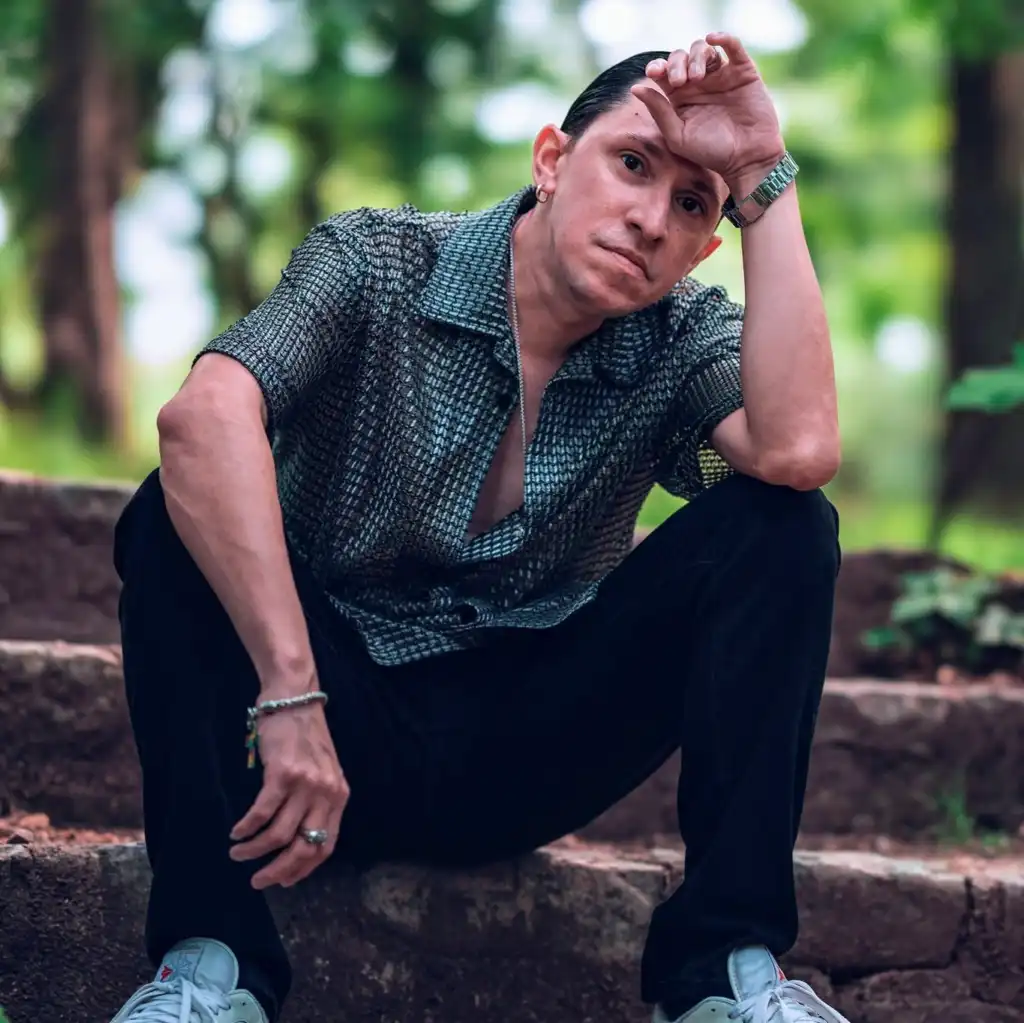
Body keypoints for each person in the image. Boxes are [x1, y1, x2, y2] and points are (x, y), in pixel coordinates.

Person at [109, 33, 847, 1023]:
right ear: (551, 161)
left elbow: (797, 450)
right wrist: (290, 689)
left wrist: (763, 174)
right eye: (631, 164)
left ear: (705, 247)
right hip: (324, 723)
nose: (649, 218)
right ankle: (211, 969)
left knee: (783, 526)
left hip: (531, 744)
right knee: (170, 510)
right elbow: (201, 418)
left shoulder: (682, 335)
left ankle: (724, 977)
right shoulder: (377, 263)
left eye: (690, 205)